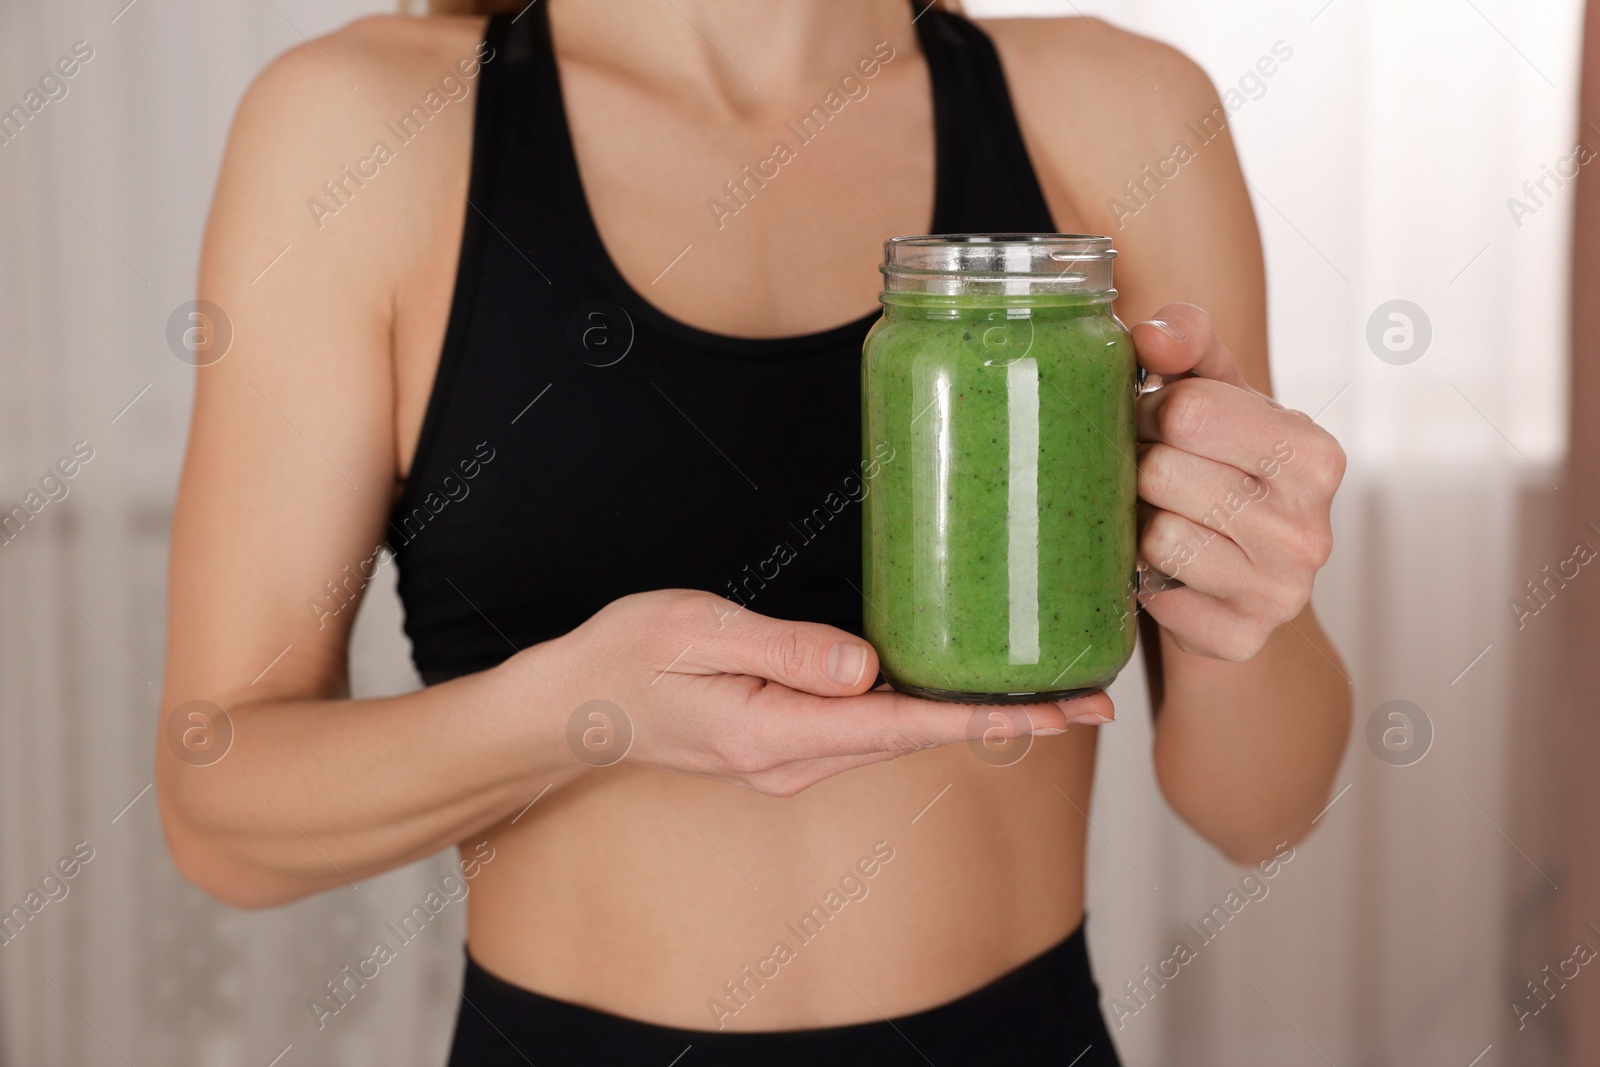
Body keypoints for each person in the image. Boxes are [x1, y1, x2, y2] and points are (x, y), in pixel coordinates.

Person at [156, 0, 1351, 1062]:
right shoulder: (358, 129)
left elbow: (1262, 811)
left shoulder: (1124, 110)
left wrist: (1243, 602)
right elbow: (219, 809)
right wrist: (581, 712)